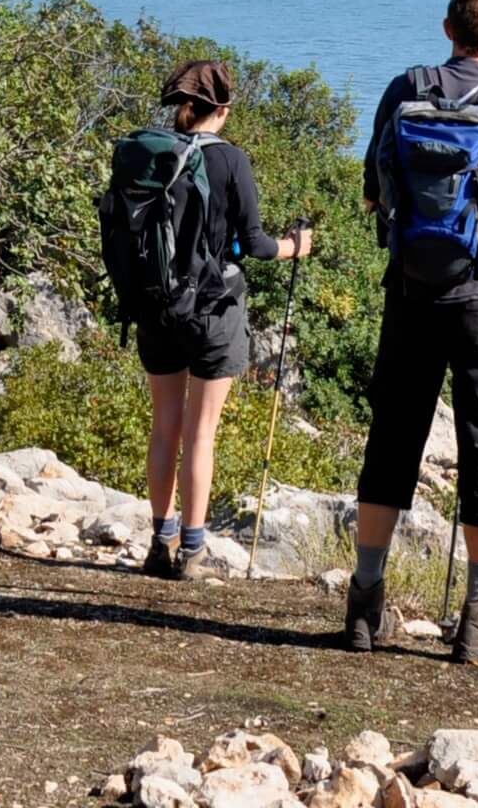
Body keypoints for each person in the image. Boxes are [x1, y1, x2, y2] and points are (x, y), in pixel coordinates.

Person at [343, 0, 478, 663]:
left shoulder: (404, 90)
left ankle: (365, 606)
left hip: (408, 295)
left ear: (447, 28)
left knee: (393, 438)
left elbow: (374, 192)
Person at [135, 58, 315, 582]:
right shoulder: (231, 161)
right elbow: (255, 244)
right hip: (213, 310)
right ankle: (193, 552)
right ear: (225, 111)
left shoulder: (152, 153)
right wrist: (295, 247)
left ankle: (158, 543)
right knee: (202, 432)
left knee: (164, 427)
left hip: (157, 306)